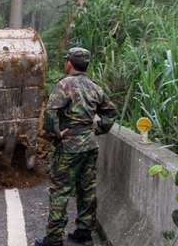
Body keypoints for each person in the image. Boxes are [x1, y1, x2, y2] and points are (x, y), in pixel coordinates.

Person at [35, 47, 118, 246]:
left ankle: (54, 238)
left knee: (60, 190)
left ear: (69, 63)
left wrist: (56, 135)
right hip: (90, 145)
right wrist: (95, 129)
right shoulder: (94, 87)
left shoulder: (64, 85)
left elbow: (50, 114)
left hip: (70, 147)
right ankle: (84, 233)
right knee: (87, 188)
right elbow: (111, 112)